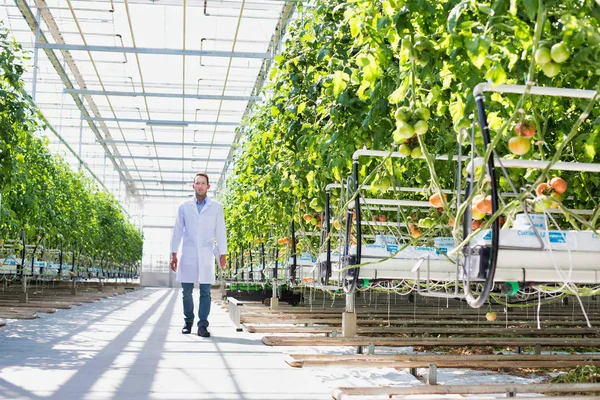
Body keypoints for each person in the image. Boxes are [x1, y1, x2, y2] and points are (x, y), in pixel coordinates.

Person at [170, 172, 227, 337]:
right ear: (193, 186)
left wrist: (222, 253)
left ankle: (203, 324)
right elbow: (177, 231)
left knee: (205, 292)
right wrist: (174, 253)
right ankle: (188, 321)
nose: (200, 186)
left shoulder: (216, 207)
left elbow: (220, 231)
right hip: (188, 252)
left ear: (208, 187)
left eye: (203, 183)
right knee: (186, 292)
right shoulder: (184, 207)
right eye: (197, 183)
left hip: (206, 252)